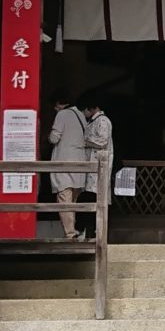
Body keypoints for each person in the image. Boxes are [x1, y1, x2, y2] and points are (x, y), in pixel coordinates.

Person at [48, 96, 113, 239]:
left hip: (95, 168)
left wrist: (84, 141)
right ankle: (81, 231)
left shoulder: (102, 121)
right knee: (79, 199)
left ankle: (77, 233)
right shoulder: (84, 119)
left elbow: (102, 141)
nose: (86, 113)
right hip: (85, 167)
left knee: (77, 199)